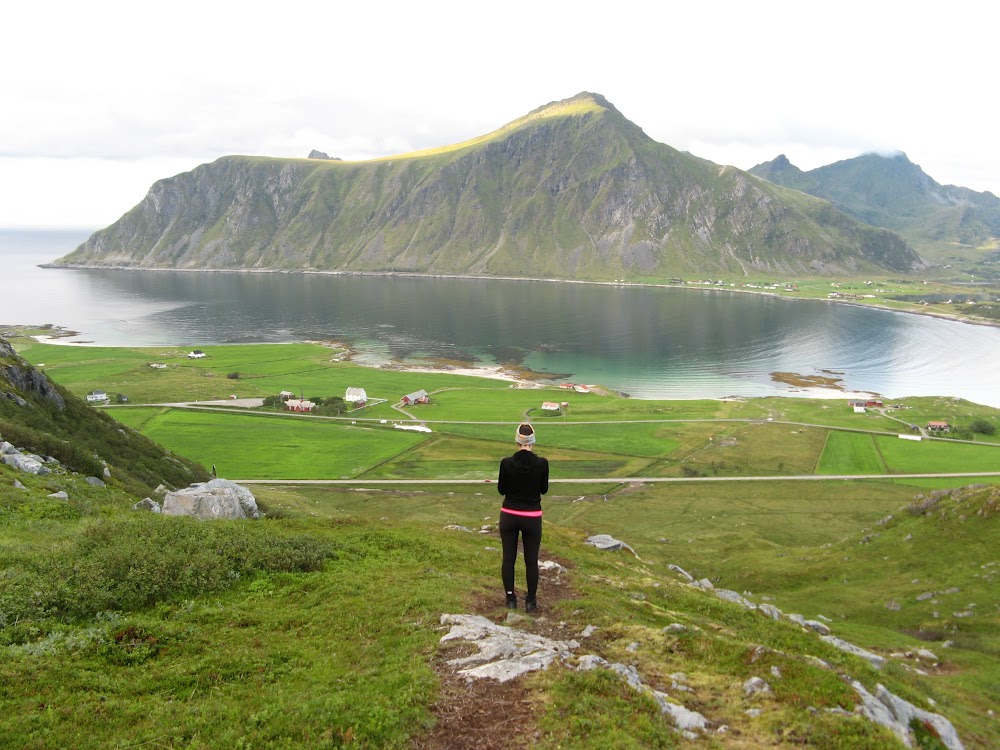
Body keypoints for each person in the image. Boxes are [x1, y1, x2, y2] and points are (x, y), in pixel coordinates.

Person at [497, 422, 549, 613]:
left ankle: (511, 599)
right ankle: (531, 602)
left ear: (517, 441)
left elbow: (501, 489)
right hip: (532, 516)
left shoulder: (506, 463)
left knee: (508, 558)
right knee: (531, 560)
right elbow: (544, 489)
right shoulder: (542, 463)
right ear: (533, 441)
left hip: (509, 514)